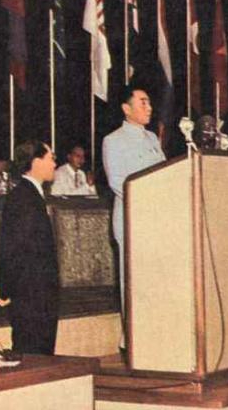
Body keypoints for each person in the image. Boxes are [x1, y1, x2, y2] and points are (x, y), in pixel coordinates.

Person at [102, 86, 166, 345]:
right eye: (142, 103)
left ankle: (155, 336)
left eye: (149, 102)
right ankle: (133, 341)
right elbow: (118, 181)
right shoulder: (113, 140)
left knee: (156, 280)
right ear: (126, 109)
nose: (149, 108)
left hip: (157, 219)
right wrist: (149, 197)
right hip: (132, 219)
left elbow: (165, 172)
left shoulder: (152, 138)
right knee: (133, 280)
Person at [0, 141, 59, 355]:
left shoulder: (30, 195)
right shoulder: (23, 198)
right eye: (51, 158)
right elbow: (14, 249)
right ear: (36, 162)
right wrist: (5, 287)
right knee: (33, 356)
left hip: (38, 293)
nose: (54, 164)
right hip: (31, 295)